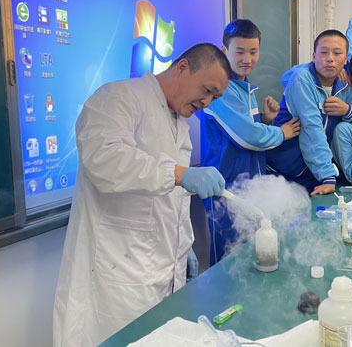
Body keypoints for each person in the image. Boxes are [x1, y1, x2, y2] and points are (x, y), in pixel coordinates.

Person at [53, 43, 232, 347]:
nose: (207, 102)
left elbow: (169, 202)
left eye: (214, 97)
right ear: (183, 67)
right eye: (207, 90)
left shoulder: (180, 123)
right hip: (117, 280)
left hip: (160, 274)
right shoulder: (118, 98)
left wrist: (184, 245)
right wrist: (179, 174)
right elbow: (104, 159)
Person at [200, 19, 300, 264]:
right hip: (226, 191)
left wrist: (265, 120)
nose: (247, 59)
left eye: (253, 52)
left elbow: (245, 131)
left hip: (250, 189)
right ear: (224, 50)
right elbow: (248, 137)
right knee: (227, 262)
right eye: (240, 52)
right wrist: (282, 132)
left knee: (249, 258)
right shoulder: (220, 90)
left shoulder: (244, 88)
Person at [266, 30, 352, 195]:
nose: (330, 58)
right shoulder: (302, 79)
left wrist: (348, 110)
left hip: (310, 173)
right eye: (323, 52)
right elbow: (311, 128)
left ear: (345, 59)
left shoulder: (343, 84)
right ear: (313, 56)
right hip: (280, 172)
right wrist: (328, 176)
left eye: (337, 53)